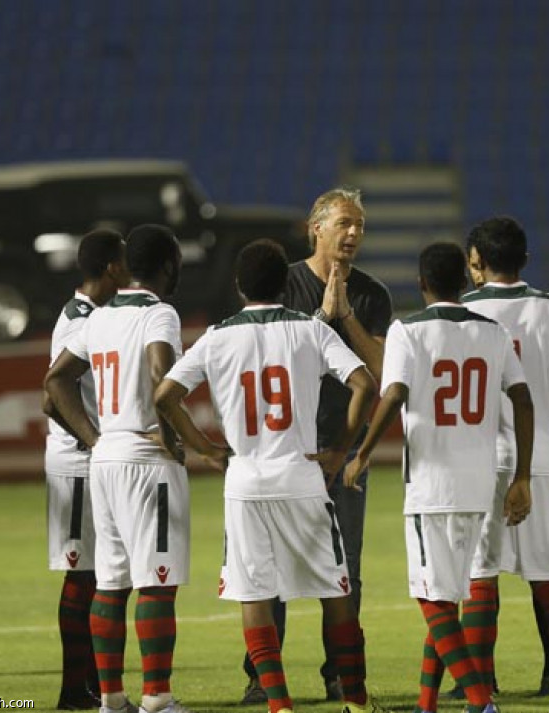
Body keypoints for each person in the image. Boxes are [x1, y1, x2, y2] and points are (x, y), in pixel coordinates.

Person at [154, 239, 389, 713]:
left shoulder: (219, 336)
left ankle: (278, 704)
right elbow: (364, 382)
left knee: (255, 589)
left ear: (239, 286)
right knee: (336, 588)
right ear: (286, 283)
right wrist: (340, 449)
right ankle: (357, 702)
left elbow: (164, 396)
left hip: (246, 479)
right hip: (302, 472)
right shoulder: (309, 331)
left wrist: (205, 450)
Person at [344, 242, 533, 713]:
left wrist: (363, 452)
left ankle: (480, 701)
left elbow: (394, 393)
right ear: (465, 282)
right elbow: (524, 399)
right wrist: (523, 475)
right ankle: (427, 704)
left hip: (431, 485)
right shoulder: (493, 332)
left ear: (422, 283)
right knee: (446, 595)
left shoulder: (407, 330)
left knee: (433, 600)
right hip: (478, 483)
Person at [241, 187, 392, 705]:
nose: (353, 234)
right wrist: (323, 321)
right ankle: (263, 678)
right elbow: (264, 356)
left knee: (344, 567)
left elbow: (381, 371)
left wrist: (346, 315)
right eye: (345, 223)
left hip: (342, 452)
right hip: (285, 451)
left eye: (360, 225)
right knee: (269, 567)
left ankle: (342, 677)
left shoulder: (371, 294)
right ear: (317, 228)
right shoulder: (280, 285)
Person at [444, 216, 549, 713]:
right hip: (536, 460)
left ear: (479, 264)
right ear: (525, 259)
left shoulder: (460, 313)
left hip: (475, 461)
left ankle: (481, 700)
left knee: (480, 579)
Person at [45, 224, 190, 713]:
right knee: (145, 578)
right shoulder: (152, 314)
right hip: (124, 458)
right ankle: (149, 697)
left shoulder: (97, 316)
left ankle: (107, 696)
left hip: (103, 461)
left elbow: (56, 378)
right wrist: (175, 440)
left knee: (106, 579)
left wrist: (100, 440)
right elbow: (158, 378)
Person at [42, 229, 129, 710]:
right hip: (76, 464)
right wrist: (94, 440)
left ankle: (90, 685)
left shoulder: (91, 315)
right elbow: (50, 393)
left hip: (86, 462)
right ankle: (75, 688)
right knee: (82, 576)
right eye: (125, 263)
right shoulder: (81, 321)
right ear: (113, 268)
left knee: (96, 575)